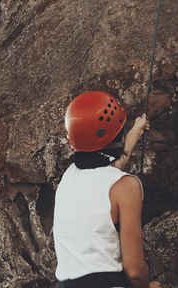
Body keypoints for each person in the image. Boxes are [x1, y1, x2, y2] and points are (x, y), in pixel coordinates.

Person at [53, 91, 161, 288]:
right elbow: (135, 270)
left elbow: (111, 165)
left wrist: (136, 131)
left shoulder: (69, 177)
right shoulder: (125, 186)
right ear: (118, 134)